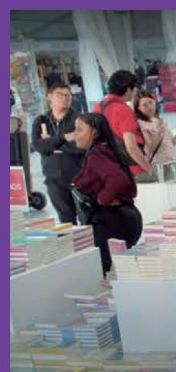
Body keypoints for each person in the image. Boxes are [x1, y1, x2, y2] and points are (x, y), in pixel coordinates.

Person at [71, 113, 143, 274]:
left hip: (111, 222)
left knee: (108, 274)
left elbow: (118, 179)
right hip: (124, 218)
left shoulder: (97, 154)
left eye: (80, 130)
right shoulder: (107, 149)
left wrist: (101, 199)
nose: (75, 134)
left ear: (94, 132)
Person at [31, 82, 85, 224]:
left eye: (68, 95)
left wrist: (52, 144)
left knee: (87, 217)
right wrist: (64, 138)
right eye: (60, 95)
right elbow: (38, 146)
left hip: (79, 177)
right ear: (50, 97)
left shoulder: (80, 119)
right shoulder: (41, 121)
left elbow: (80, 146)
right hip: (53, 179)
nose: (65, 98)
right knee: (66, 221)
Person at [94, 70, 149, 175]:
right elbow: (131, 147)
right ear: (128, 89)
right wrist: (148, 169)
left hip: (109, 165)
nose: (134, 92)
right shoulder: (123, 110)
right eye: (133, 89)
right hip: (130, 167)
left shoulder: (98, 107)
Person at [133, 91, 176, 167]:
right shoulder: (141, 124)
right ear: (138, 108)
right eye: (145, 105)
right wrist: (159, 131)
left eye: (151, 102)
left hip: (172, 162)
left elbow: (172, 142)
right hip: (158, 166)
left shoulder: (159, 120)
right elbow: (149, 149)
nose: (149, 107)